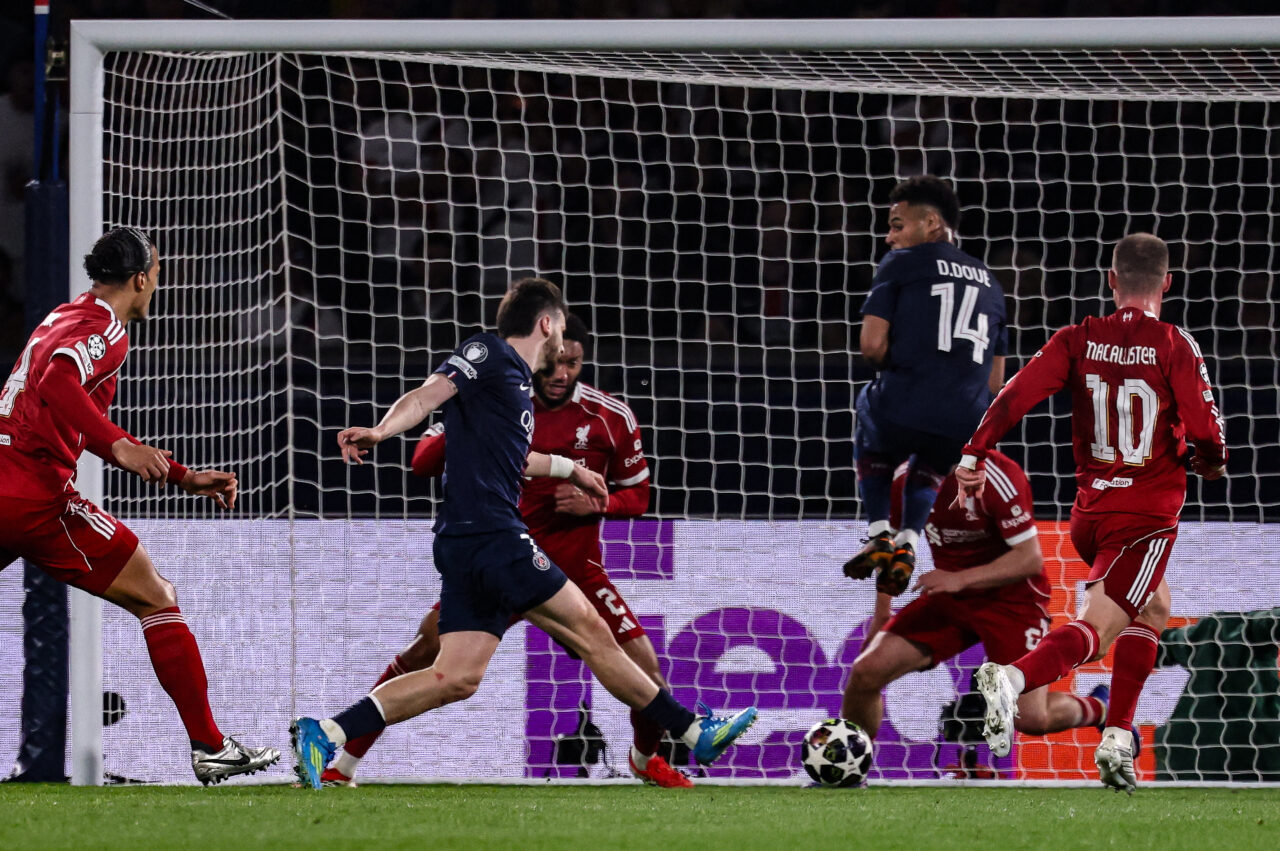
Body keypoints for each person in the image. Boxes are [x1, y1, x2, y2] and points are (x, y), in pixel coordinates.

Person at [290, 278, 756, 789]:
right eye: (561, 331)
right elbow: (426, 395)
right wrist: (381, 430)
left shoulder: (514, 387)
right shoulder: (489, 353)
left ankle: (327, 732)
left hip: (466, 543)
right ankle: (693, 731)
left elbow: (515, 458)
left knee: (455, 677)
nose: (562, 350)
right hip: (497, 537)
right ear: (546, 324)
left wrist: (571, 470)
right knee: (594, 635)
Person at [0, 227, 279, 785]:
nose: (156, 283)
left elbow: (58, 394)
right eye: (156, 272)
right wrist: (118, 446)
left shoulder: (65, 315)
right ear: (140, 279)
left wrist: (181, 475)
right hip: (36, 498)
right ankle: (211, 745)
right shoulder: (106, 326)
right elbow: (57, 381)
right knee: (157, 596)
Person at [956, 233, 1227, 792]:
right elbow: (1207, 432)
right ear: (1167, 283)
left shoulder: (1077, 338)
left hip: (1090, 514)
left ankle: (1118, 737)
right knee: (1100, 634)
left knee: (1153, 607)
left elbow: (1015, 395)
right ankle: (1012, 679)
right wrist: (1210, 461)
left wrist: (973, 453)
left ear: (1111, 280)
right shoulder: (1173, 344)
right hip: (1143, 520)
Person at [844, 453, 1124, 752]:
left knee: (1031, 718)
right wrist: (881, 615)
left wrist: (959, 579)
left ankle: (1100, 707)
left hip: (1013, 603)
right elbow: (893, 547)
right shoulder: (906, 478)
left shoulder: (998, 476)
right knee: (866, 671)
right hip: (951, 599)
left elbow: (1029, 559)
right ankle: (851, 765)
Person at [844, 175, 1008, 601]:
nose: (890, 236)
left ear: (932, 223)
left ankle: (879, 533)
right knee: (932, 459)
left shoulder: (900, 263)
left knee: (869, 407)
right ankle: (909, 541)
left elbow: (871, 345)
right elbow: (996, 382)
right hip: (965, 424)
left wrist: (906, 365)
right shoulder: (992, 282)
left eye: (897, 225)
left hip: (906, 406)